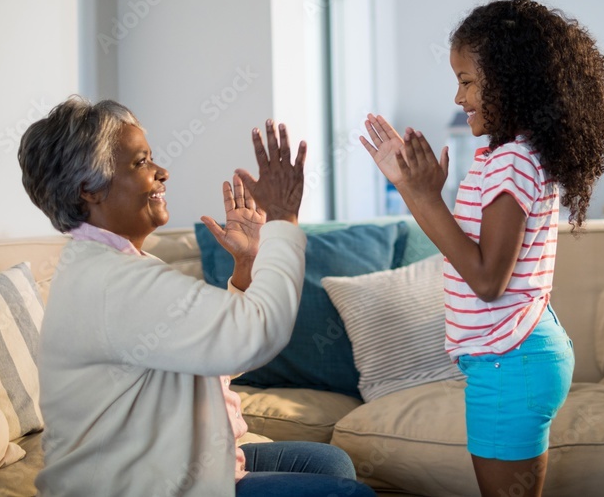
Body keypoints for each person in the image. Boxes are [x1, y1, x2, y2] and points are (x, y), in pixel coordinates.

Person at [19, 97, 375, 497]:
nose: (162, 172)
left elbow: (211, 356)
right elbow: (255, 336)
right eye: (141, 163)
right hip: (140, 484)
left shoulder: (116, 265)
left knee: (330, 463)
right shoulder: (114, 281)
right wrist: (282, 220)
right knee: (350, 495)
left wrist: (248, 264)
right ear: (90, 188)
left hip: (172, 460)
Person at [360, 0, 604, 497]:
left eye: (467, 81)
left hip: (511, 361)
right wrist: (419, 194)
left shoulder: (511, 160)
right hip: (517, 356)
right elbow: (471, 254)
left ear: (511, 80)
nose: (459, 98)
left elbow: (486, 280)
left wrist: (422, 194)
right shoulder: (513, 154)